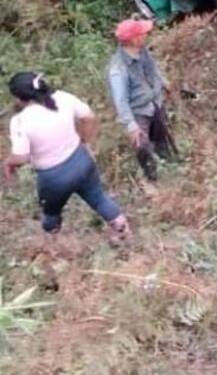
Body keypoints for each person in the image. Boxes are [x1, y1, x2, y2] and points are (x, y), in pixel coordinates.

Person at [5, 72, 130, 242]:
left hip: (53, 176)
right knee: (99, 198)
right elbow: (88, 117)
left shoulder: (20, 121)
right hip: (81, 159)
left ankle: (54, 245)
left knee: (51, 213)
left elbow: (22, 157)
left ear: (19, 98)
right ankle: (123, 233)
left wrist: (7, 162)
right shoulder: (62, 98)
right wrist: (85, 141)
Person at [106, 18, 175, 181]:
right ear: (134, 39)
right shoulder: (118, 69)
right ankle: (152, 178)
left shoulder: (142, 50)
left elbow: (153, 68)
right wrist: (131, 125)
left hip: (154, 102)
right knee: (142, 146)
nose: (145, 35)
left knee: (162, 135)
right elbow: (120, 100)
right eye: (142, 33)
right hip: (138, 111)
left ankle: (171, 164)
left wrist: (164, 82)